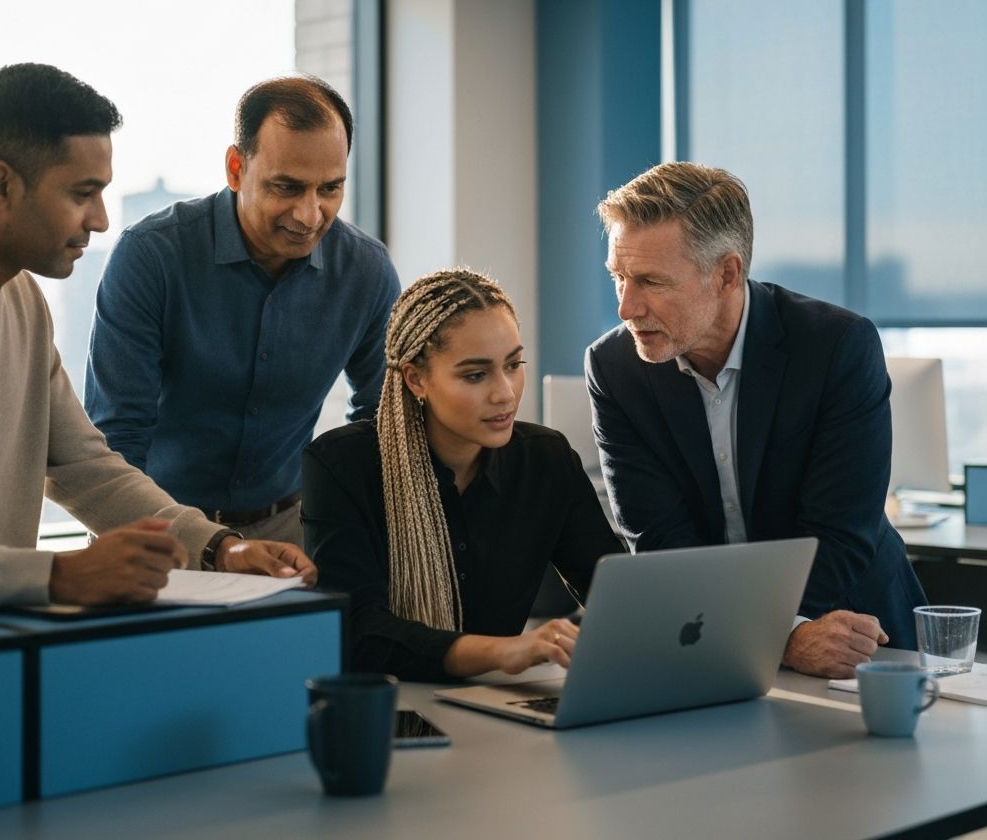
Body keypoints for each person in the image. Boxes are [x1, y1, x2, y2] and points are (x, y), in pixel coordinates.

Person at [0, 63, 317, 610]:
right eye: (83, 193)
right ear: (1, 184)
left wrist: (220, 548)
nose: (101, 220)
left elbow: (86, 468)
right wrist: (56, 576)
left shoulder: (23, 303)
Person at [585, 163, 926, 679]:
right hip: (713, 644)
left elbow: (839, 534)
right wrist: (776, 638)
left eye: (651, 281)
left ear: (726, 273)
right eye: (618, 277)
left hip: (855, 638)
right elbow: (658, 541)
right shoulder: (614, 368)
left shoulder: (836, 347)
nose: (627, 307)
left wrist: (784, 633)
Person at [85, 74, 400, 544]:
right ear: (236, 168)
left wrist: (353, 527)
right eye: (287, 187)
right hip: (156, 523)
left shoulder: (366, 270)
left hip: (289, 530)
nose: (310, 214)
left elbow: (385, 419)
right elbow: (118, 438)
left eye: (330, 189)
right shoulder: (152, 255)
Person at [302, 269, 622, 682]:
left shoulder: (547, 459)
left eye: (513, 364)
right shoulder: (342, 463)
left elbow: (612, 592)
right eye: (476, 374)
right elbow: (359, 633)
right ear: (416, 378)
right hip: (392, 708)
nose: (504, 392)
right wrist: (504, 651)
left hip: (495, 705)